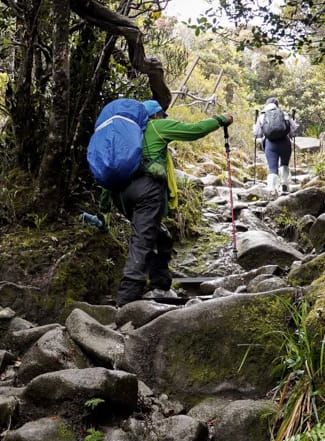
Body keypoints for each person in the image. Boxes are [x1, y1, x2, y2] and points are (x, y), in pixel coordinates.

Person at [113, 100, 233, 306]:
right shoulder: (156, 126)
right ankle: (125, 300)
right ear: (156, 115)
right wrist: (221, 119)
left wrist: (105, 207)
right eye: (162, 115)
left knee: (160, 235)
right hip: (146, 191)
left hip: (120, 193)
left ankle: (160, 284)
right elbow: (194, 130)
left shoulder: (125, 134)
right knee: (142, 241)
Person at [253, 97, 299, 194]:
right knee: (284, 165)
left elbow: (257, 134)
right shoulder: (284, 114)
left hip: (270, 144)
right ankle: (284, 186)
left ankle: (272, 190)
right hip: (285, 143)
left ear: (266, 105)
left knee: (273, 168)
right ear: (277, 105)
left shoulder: (262, 116)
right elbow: (293, 130)